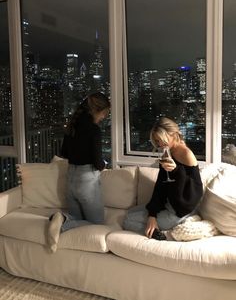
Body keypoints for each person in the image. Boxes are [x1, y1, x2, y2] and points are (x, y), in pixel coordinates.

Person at [47, 92, 110, 252]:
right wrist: (104, 164)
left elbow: (65, 153)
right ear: (96, 110)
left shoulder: (72, 126)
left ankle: (64, 219)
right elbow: (97, 161)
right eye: (104, 113)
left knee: (78, 220)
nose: (104, 117)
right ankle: (62, 220)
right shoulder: (94, 130)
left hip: (71, 179)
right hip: (87, 181)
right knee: (97, 225)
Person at [123, 117, 203, 240]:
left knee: (127, 222)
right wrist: (152, 214)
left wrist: (175, 171)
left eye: (161, 140)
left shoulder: (186, 154)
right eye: (157, 141)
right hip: (167, 205)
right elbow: (161, 186)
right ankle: (161, 226)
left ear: (173, 134)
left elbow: (195, 191)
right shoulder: (168, 153)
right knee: (129, 213)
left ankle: (165, 234)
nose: (159, 144)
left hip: (179, 211)